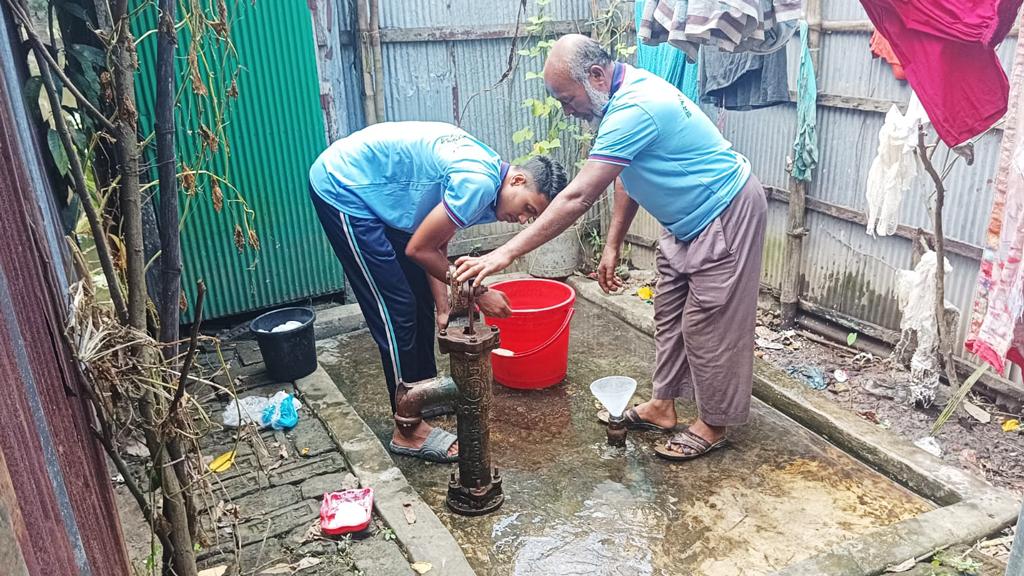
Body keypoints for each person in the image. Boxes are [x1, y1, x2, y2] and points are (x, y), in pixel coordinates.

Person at [455, 35, 767, 461]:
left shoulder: (636, 106)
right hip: (683, 223)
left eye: (567, 98)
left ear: (597, 76)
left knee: (709, 323)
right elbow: (625, 174)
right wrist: (613, 243)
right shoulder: (616, 100)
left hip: (724, 212)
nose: (566, 110)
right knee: (670, 314)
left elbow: (577, 197)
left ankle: (714, 423)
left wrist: (502, 254)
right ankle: (662, 406)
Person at [309, 121, 567, 463]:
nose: (522, 221)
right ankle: (408, 427)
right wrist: (477, 292)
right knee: (396, 308)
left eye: (530, 218)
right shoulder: (478, 182)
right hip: (344, 186)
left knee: (419, 299)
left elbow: (436, 240)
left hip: (382, 192)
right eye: (528, 209)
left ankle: (423, 392)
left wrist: (442, 305)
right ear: (517, 180)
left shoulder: (489, 185)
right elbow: (419, 249)